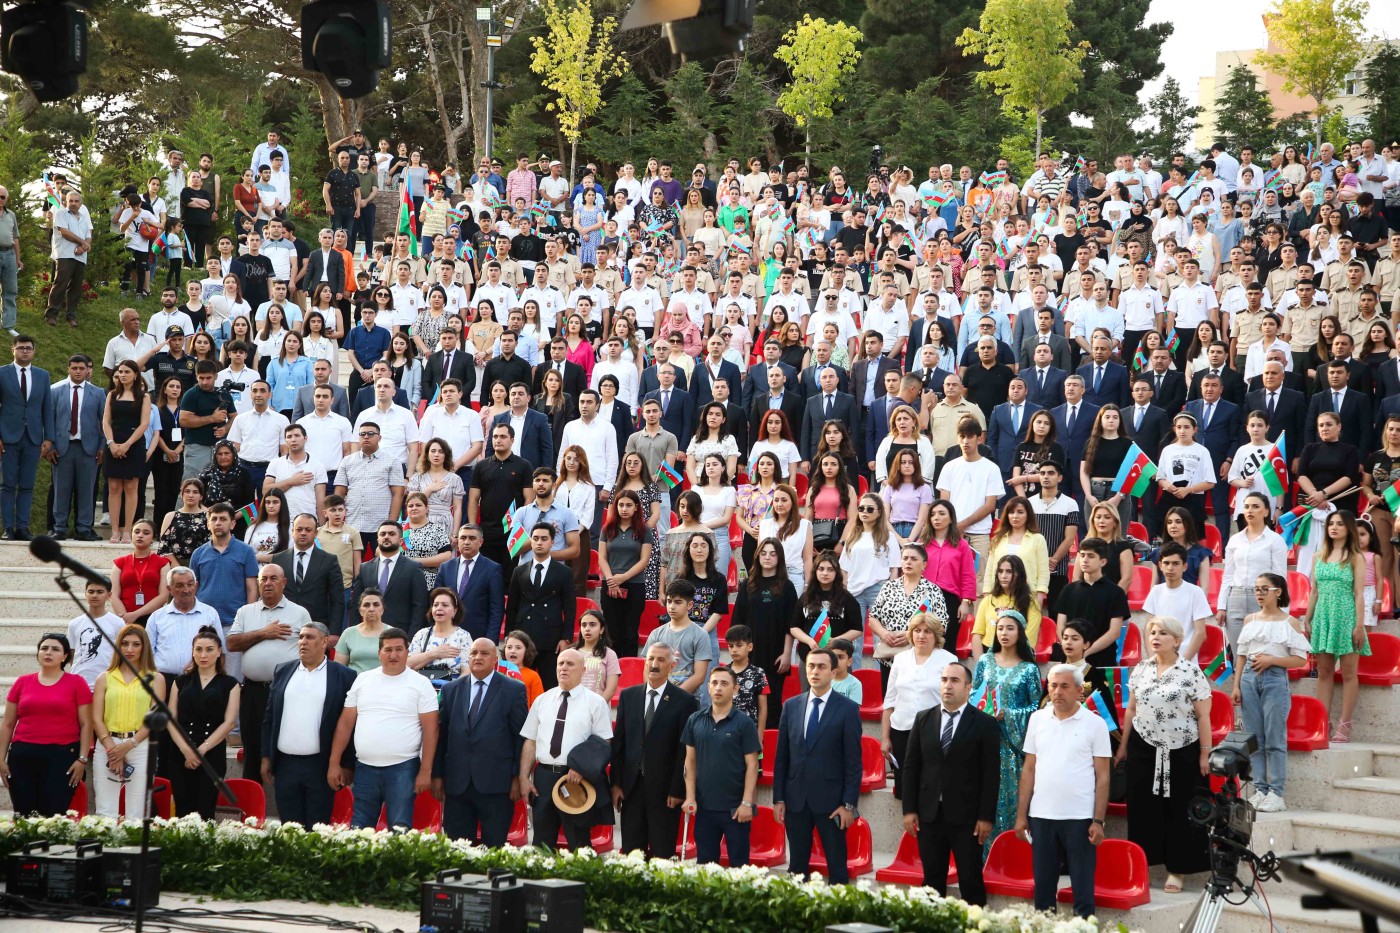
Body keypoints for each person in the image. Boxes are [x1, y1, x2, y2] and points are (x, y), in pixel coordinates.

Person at [1116, 615, 1213, 893]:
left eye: (1163, 633)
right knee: (1142, 808)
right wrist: (1123, 746)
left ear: (1177, 640)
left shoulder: (1191, 672)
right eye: (1152, 633)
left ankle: (1178, 870)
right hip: (1143, 747)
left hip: (1183, 748)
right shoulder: (1141, 670)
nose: (1155, 637)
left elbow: (1203, 716)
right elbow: (1131, 710)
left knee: (1181, 809)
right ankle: (1143, 865)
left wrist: (1204, 753)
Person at [1015, 663, 1111, 919]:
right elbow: (1029, 770)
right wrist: (1021, 815)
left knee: (1082, 892)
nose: (1057, 691)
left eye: (1065, 686)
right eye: (1053, 685)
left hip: (1079, 818)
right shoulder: (1037, 719)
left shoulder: (1095, 724)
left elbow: (1103, 777)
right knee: (1044, 892)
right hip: (1042, 816)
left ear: (1080, 690)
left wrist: (1098, 820)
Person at [901, 661, 1000, 903]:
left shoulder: (985, 723)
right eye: (944, 680)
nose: (947, 686)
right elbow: (911, 767)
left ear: (968, 688)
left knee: (970, 880)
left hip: (968, 817)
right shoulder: (923, 719)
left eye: (954, 681)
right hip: (929, 815)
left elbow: (991, 774)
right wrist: (909, 809)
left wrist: (986, 817)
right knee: (931, 882)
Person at [328, 626, 439, 829]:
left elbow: (431, 731)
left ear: (407, 652)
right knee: (359, 828)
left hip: (403, 767)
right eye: (388, 649)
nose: (393, 654)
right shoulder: (362, 680)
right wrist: (334, 762)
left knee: (399, 828)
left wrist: (425, 770)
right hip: (365, 767)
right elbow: (345, 724)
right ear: (379, 653)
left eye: (399, 649)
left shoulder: (421, 684)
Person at [772, 648, 862, 884]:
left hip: (832, 804)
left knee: (837, 869)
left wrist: (848, 805)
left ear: (833, 672)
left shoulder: (848, 709)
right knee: (796, 869)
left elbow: (853, 762)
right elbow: (782, 757)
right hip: (796, 801)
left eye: (821, 667)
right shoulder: (791, 706)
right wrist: (779, 799)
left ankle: (838, 917)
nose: (814, 671)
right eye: (810, 666)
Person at [432, 637, 528, 847]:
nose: (478, 657)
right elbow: (442, 736)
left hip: (497, 784)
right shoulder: (451, 690)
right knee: (457, 849)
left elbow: (520, 738)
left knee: (494, 850)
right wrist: (437, 775)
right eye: (474, 653)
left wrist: (516, 777)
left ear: (495, 659)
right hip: (458, 784)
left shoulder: (514, 690)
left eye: (484, 654)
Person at [260, 621, 357, 827]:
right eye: (301, 637)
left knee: (318, 828)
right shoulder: (283, 671)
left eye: (310, 637)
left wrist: (346, 764)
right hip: (285, 765)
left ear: (324, 643)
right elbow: (270, 717)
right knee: (290, 827)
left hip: (321, 765)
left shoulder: (344, 676)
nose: (303, 642)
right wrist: (266, 756)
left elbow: (350, 723)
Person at [518, 648, 615, 850]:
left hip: (576, 779)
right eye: (560, 663)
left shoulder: (596, 702)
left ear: (583, 669)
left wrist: (583, 768)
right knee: (541, 843)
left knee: (579, 843)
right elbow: (531, 741)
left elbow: (604, 743)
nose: (564, 668)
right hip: (543, 776)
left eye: (570, 664)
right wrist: (523, 778)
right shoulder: (542, 700)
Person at [611, 642, 699, 858]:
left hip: (665, 792)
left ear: (672, 665)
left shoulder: (685, 701)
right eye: (651, 659)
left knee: (662, 854)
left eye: (661, 660)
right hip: (631, 789)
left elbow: (683, 751)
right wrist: (616, 783)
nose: (654, 664)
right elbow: (619, 744)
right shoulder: (628, 696)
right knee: (632, 854)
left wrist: (677, 790)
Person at [228, 563, 309, 782]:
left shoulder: (299, 613)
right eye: (264, 579)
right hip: (254, 691)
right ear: (258, 583)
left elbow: (311, 648)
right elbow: (232, 643)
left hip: (287, 691)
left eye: (274, 578)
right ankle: (251, 811)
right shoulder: (246, 612)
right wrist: (264, 633)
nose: (268, 583)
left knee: (285, 746)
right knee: (252, 748)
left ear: (284, 583)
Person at [0, 633, 93, 815]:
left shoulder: (76, 683)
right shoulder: (22, 682)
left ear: (65, 656)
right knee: (24, 813)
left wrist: (82, 759)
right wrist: (0, 759)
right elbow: (8, 724)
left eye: (55, 649)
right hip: (22, 756)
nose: (48, 652)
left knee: (52, 815)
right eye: (44, 648)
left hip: (62, 757)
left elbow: (86, 724)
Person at [972, 611, 1043, 850]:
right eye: (1000, 628)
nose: (1004, 633)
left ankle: (1013, 855)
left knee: (1011, 800)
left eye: (1010, 628)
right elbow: (974, 695)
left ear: (1021, 632)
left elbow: (1037, 707)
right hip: (983, 742)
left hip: (1012, 747)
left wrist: (1009, 714)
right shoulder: (984, 661)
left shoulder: (1029, 669)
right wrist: (983, 708)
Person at [681, 665, 762, 866]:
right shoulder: (694, 720)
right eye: (714, 683)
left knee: (739, 868)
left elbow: (752, 765)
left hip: (736, 809)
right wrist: (690, 797)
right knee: (705, 868)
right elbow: (690, 763)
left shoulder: (745, 723)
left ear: (735, 690)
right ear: (708, 687)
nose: (718, 688)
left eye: (724, 684)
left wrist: (746, 803)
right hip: (704, 807)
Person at [1304, 510, 1371, 744]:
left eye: (1340, 524)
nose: (1334, 527)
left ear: (1348, 528)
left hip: (1347, 616)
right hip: (1323, 616)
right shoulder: (1317, 556)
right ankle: (1323, 721)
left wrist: (1359, 625)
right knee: (1324, 672)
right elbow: (1314, 591)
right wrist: (1307, 618)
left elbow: (1359, 594)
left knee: (1350, 673)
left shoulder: (1355, 557)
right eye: (1331, 523)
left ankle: (1345, 723)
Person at [90, 624, 164, 819]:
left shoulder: (156, 679)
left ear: (144, 647)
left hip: (140, 746)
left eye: (135, 644)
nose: (130, 649)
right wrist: (112, 750)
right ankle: (107, 849)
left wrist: (129, 745)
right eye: (124, 644)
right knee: (106, 809)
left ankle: (134, 849)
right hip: (108, 744)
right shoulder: (104, 678)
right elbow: (96, 718)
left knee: (137, 810)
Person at [881, 612, 958, 800]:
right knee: (905, 790)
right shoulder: (900, 659)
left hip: (934, 732)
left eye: (927, 631)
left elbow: (955, 702)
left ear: (936, 636)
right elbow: (889, 701)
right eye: (917, 630)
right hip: (901, 731)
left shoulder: (948, 660)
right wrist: (885, 738)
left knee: (930, 790)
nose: (921, 635)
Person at [167, 626, 240, 818]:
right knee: (182, 810)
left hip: (212, 752)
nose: (203, 654)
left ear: (218, 652)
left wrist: (201, 750)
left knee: (206, 810)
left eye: (209, 649)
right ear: (192, 651)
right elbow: (171, 719)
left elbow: (229, 722)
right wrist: (186, 750)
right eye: (198, 649)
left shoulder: (230, 683)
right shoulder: (180, 681)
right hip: (181, 752)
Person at [729, 539, 797, 727]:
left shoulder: (787, 586)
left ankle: (770, 745)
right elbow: (737, 622)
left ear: (780, 558)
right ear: (757, 556)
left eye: (773, 554)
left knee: (772, 702)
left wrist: (787, 654)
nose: (767, 557)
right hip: (750, 653)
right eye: (764, 553)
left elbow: (791, 625)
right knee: (747, 701)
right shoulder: (747, 585)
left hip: (776, 654)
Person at [1216, 492, 1288, 653]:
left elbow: (1280, 577)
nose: (1250, 511)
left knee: (1260, 653)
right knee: (1238, 652)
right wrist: (1222, 606)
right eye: (1247, 507)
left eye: (1256, 507)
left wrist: (1279, 607)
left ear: (1266, 511)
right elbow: (1228, 576)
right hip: (1236, 597)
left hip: (1263, 597)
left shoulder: (1275, 540)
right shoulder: (1235, 540)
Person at [506, 524, 576, 690]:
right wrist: (510, 636)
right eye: (535, 538)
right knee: (519, 685)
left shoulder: (564, 572)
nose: (539, 542)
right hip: (523, 636)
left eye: (544, 539)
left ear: (552, 542)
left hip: (550, 638)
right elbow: (512, 607)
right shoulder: (519, 571)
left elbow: (569, 607)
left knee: (549, 685)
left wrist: (565, 638)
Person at [45, 353, 105, 541]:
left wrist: (102, 446)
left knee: (87, 490)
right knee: (61, 489)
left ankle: (84, 528)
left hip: (88, 448)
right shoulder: (56, 392)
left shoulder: (97, 393)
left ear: (88, 370)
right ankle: (59, 527)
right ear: (68, 369)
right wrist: (51, 444)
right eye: (74, 368)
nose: (78, 371)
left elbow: (104, 422)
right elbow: (49, 421)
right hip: (63, 448)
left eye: (82, 368)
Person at [869, 544, 948, 687]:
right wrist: (883, 633)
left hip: (919, 658)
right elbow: (873, 617)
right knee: (889, 702)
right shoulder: (889, 587)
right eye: (905, 558)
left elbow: (941, 624)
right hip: (889, 655)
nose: (908, 562)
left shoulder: (933, 590)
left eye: (913, 559)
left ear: (924, 564)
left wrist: (911, 635)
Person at [1, 334, 50, 540]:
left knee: (28, 484)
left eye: (28, 348)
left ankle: (23, 527)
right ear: (13, 350)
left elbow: (47, 408)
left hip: (33, 438)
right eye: (20, 348)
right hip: (8, 437)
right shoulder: (2, 373)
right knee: (7, 484)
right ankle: (8, 528)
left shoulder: (42, 375)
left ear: (34, 351)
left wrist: (49, 438)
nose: (24, 351)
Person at [1055, 538, 1130, 669]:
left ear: (1103, 561)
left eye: (1090, 556)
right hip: (1071, 660)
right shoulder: (1069, 589)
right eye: (1082, 555)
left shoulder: (1116, 592)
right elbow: (1060, 626)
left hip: (1103, 659)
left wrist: (1087, 651)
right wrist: (1072, 650)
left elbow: (1114, 632)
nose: (1084, 559)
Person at [350, 521, 430, 634]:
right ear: (377, 540)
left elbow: (420, 606)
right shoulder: (365, 568)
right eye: (383, 534)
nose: (386, 537)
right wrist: (354, 633)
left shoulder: (413, 568)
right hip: (368, 632)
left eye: (391, 534)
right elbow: (355, 604)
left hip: (400, 633)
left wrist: (412, 637)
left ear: (401, 541)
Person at [641, 580, 716, 700]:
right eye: (669, 601)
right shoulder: (656, 634)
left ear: (690, 605)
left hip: (686, 700)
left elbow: (699, 676)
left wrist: (670, 697)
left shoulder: (700, 635)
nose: (672, 607)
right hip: (657, 698)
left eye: (678, 602)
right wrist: (655, 693)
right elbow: (647, 668)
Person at [271, 513, 345, 634]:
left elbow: (337, 600)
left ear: (315, 533)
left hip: (317, 628)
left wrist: (334, 632)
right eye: (299, 529)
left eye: (308, 530)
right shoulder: (278, 559)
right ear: (292, 531)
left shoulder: (329, 561)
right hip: (284, 627)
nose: (303, 533)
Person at [67, 579, 125, 686]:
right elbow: (72, 653)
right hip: (79, 682)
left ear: (109, 595)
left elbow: (121, 654)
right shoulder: (75, 624)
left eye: (100, 592)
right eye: (91, 591)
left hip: (108, 682)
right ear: (85, 594)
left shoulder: (118, 623)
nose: (94, 595)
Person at [408, 587, 473, 682]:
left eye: (445, 605)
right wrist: (434, 653)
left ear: (455, 610)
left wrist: (452, 690)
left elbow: (467, 671)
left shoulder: (463, 636)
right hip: (422, 688)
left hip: (452, 689)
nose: (439, 608)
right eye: (435, 605)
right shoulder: (422, 634)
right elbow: (407, 665)